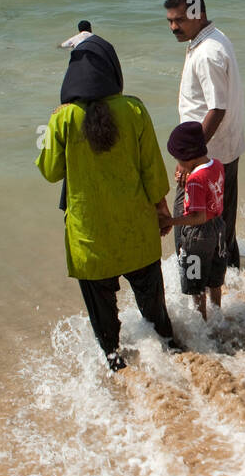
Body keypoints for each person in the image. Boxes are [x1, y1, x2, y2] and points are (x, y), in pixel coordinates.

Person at [35, 33, 177, 370]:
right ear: (113, 70)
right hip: (136, 233)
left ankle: (116, 367)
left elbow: (50, 171)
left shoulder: (64, 118)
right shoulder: (133, 109)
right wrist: (162, 211)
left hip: (90, 240)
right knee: (156, 313)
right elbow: (153, 171)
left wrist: (55, 123)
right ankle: (175, 354)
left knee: (105, 324)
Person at [165, 0, 245, 270]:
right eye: (170, 21)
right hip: (224, 150)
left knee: (188, 229)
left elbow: (217, 108)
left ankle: (196, 295)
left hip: (207, 157)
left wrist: (190, 160)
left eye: (179, 20)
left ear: (199, 15)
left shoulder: (208, 53)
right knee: (223, 222)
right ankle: (232, 280)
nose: (174, 27)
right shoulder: (213, 39)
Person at [164, 122, 226, 320]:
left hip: (197, 237)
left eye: (178, 158)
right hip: (219, 229)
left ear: (187, 155)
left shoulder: (194, 181)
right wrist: (190, 172)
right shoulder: (216, 165)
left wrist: (169, 221)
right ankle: (218, 315)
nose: (178, 162)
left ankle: (202, 324)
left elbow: (197, 217)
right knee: (215, 279)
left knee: (195, 284)